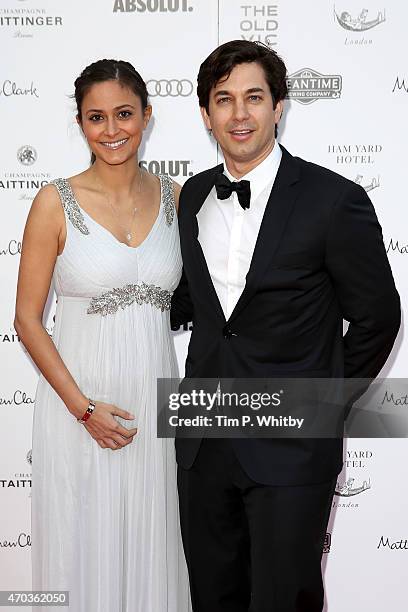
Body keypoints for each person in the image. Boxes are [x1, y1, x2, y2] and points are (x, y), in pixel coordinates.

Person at [171, 40, 400, 612]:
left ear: (279, 107)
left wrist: (321, 405)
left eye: (254, 97)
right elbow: (201, 310)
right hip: (203, 441)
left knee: (284, 601)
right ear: (205, 114)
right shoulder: (193, 195)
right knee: (212, 598)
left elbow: (378, 316)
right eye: (224, 100)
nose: (239, 114)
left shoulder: (333, 199)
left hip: (292, 444)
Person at [15, 59, 191, 612]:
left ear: (147, 115)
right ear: (80, 123)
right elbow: (26, 318)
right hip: (82, 407)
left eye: (123, 114)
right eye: (96, 117)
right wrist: (84, 410)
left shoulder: (178, 198)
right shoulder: (53, 202)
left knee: (158, 543)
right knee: (85, 550)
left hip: (156, 406)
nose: (112, 130)